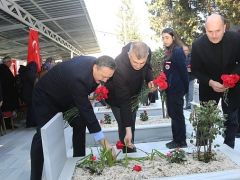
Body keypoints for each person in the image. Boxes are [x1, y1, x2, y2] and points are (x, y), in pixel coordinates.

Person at [30, 55, 116, 180]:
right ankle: (35, 177)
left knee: (80, 121)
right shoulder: (78, 76)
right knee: (42, 136)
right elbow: (86, 109)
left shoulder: (96, 66)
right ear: (95, 67)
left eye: (109, 77)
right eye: (103, 76)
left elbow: (84, 99)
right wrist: (104, 142)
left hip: (67, 95)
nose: (106, 80)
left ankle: (78, 161)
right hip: (46, 97)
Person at [191, 14, 240, 148]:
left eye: (217, 31)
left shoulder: (236, 39)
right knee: (205, 119)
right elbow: (195, 70)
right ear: (205, 29)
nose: (214, 35)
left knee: (231, 118)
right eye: (210, 31)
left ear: (224, 27)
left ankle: (228, 147)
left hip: (232, 85)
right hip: (208, 85)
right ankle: (201, 147)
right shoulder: (197, 45)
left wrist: (232, 78)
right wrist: (211, 82)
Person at [105, 41, 155, 153]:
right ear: (129, 55)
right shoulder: (119, 65)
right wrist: (128, 130)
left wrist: (150, 80)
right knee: (124, 123)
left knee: (131, 121)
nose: (138, 66)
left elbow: (148, 67)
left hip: (134, 94)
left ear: (147, 56)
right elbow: (124, 101)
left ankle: (130, 145)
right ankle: (128, 150)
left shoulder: (147, 52)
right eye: (135, 62)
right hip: (116, 97)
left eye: (141, 63)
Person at [162, 28, 189, 149]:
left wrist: (185, 89)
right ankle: (176, 139)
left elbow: (183, 71)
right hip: (170, 89)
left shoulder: (177, 51)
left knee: (177, 114)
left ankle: (181, 141)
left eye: (167, 37)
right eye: (163, 38)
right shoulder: (169, 51)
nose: (164, 40)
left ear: (173, 37)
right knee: (173, 114)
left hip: (177, 89)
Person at [0, 56, 19, 128]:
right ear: (6, 62)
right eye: (10, 62)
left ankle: (7, 124)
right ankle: (8, 125)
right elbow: (8, 81)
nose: (11, 63)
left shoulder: (4, 69)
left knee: (6, 109)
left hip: (5, 94)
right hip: (6, 94)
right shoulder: (4, 69)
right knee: (7, 109)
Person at [183, 45, 195, 110]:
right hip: (184, 78)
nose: (185, 51)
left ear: (188, 51)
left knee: (190, 92)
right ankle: (187, 104)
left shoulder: (191, 57)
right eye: (184, 50)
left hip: (191, 77)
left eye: (186, 50)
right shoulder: (181, 57)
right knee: (186, 92)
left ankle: (189, 104)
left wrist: (190, 68)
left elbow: (195, 66)